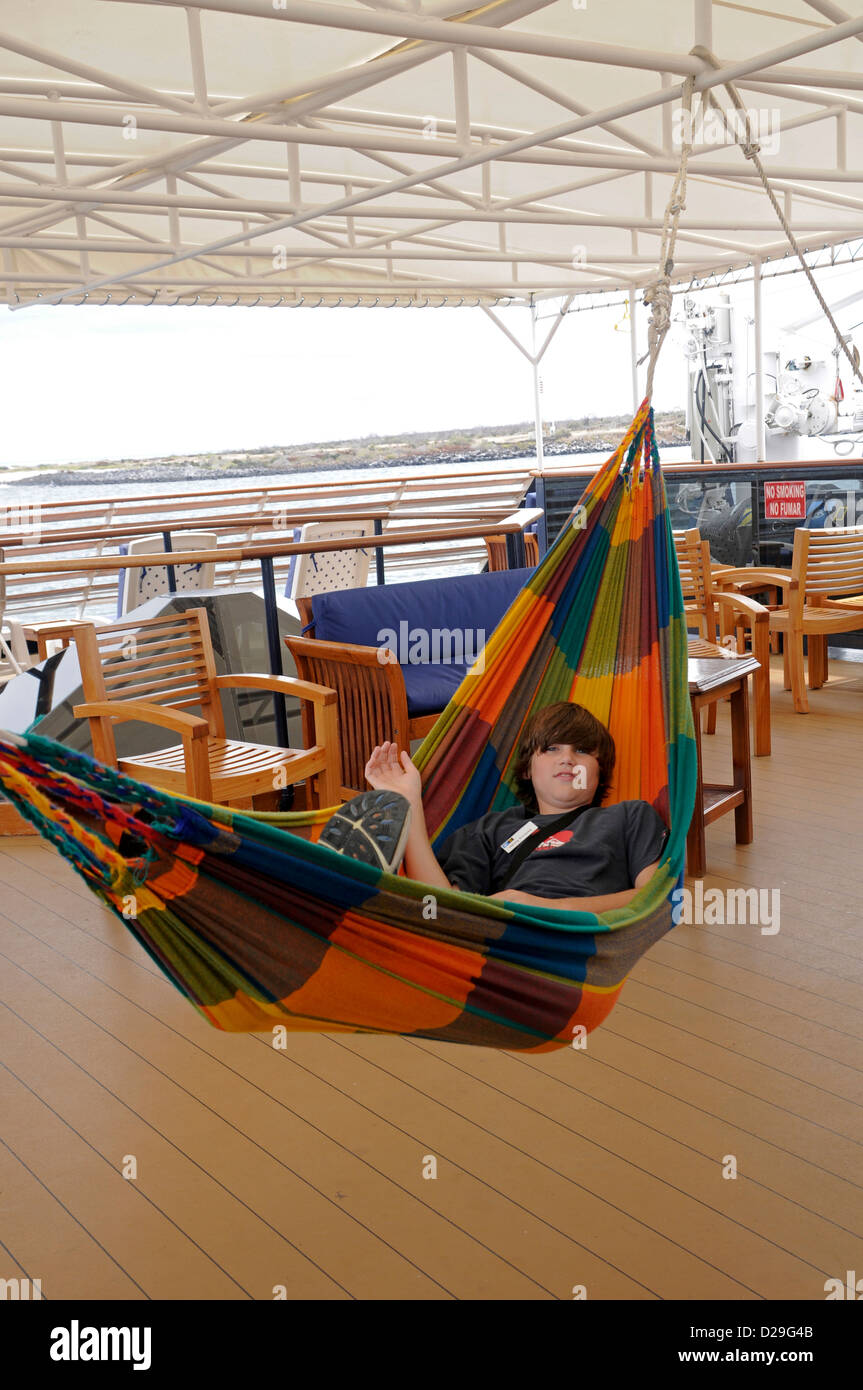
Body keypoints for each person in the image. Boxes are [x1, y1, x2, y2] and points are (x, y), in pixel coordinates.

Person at [319, 701, 668, 912]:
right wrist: (410, 802)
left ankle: (359, 888)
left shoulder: (628, 816)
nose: (567, 759)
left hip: (581, 934)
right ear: (528, 770)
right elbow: (445, 903)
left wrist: (548, 909)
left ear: (600, 769)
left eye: (581, 751)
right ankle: (358, 881)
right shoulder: (493, 828)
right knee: (429, 908)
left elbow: (651, 900)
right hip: (499, 938)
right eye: (551, 749)